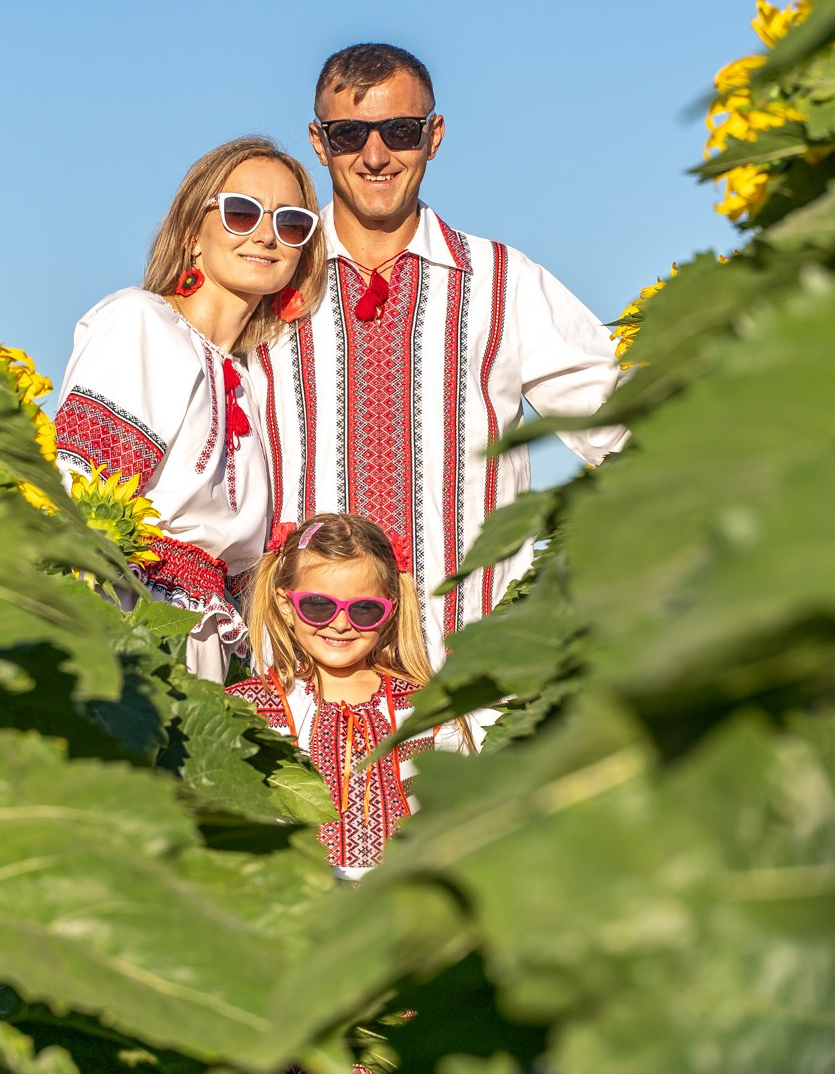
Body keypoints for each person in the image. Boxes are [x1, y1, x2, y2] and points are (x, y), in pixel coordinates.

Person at [246, 45, 627, 669]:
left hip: (472, 680)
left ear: (434, 135)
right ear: (319, 142)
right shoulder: (267, 279)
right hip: (296, 686)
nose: (375, 155)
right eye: (349, 135)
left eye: (400, 131)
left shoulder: (504, 282)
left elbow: (618, 424)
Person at [53, 136, 326, 681]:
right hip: (127, 630)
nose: (266, 235)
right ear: (191, 234)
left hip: (210, 653)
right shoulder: (141, 323)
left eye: (291, 223)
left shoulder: (253, 379)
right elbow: (76, 499)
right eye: (241, 213)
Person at [228, 513, 482, 881]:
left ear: (390, 609)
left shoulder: (428, 708)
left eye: (364, 609)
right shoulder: (249, 708)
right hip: (290, 900)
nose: (341, 623)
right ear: (286, 605)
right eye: (318, 605)